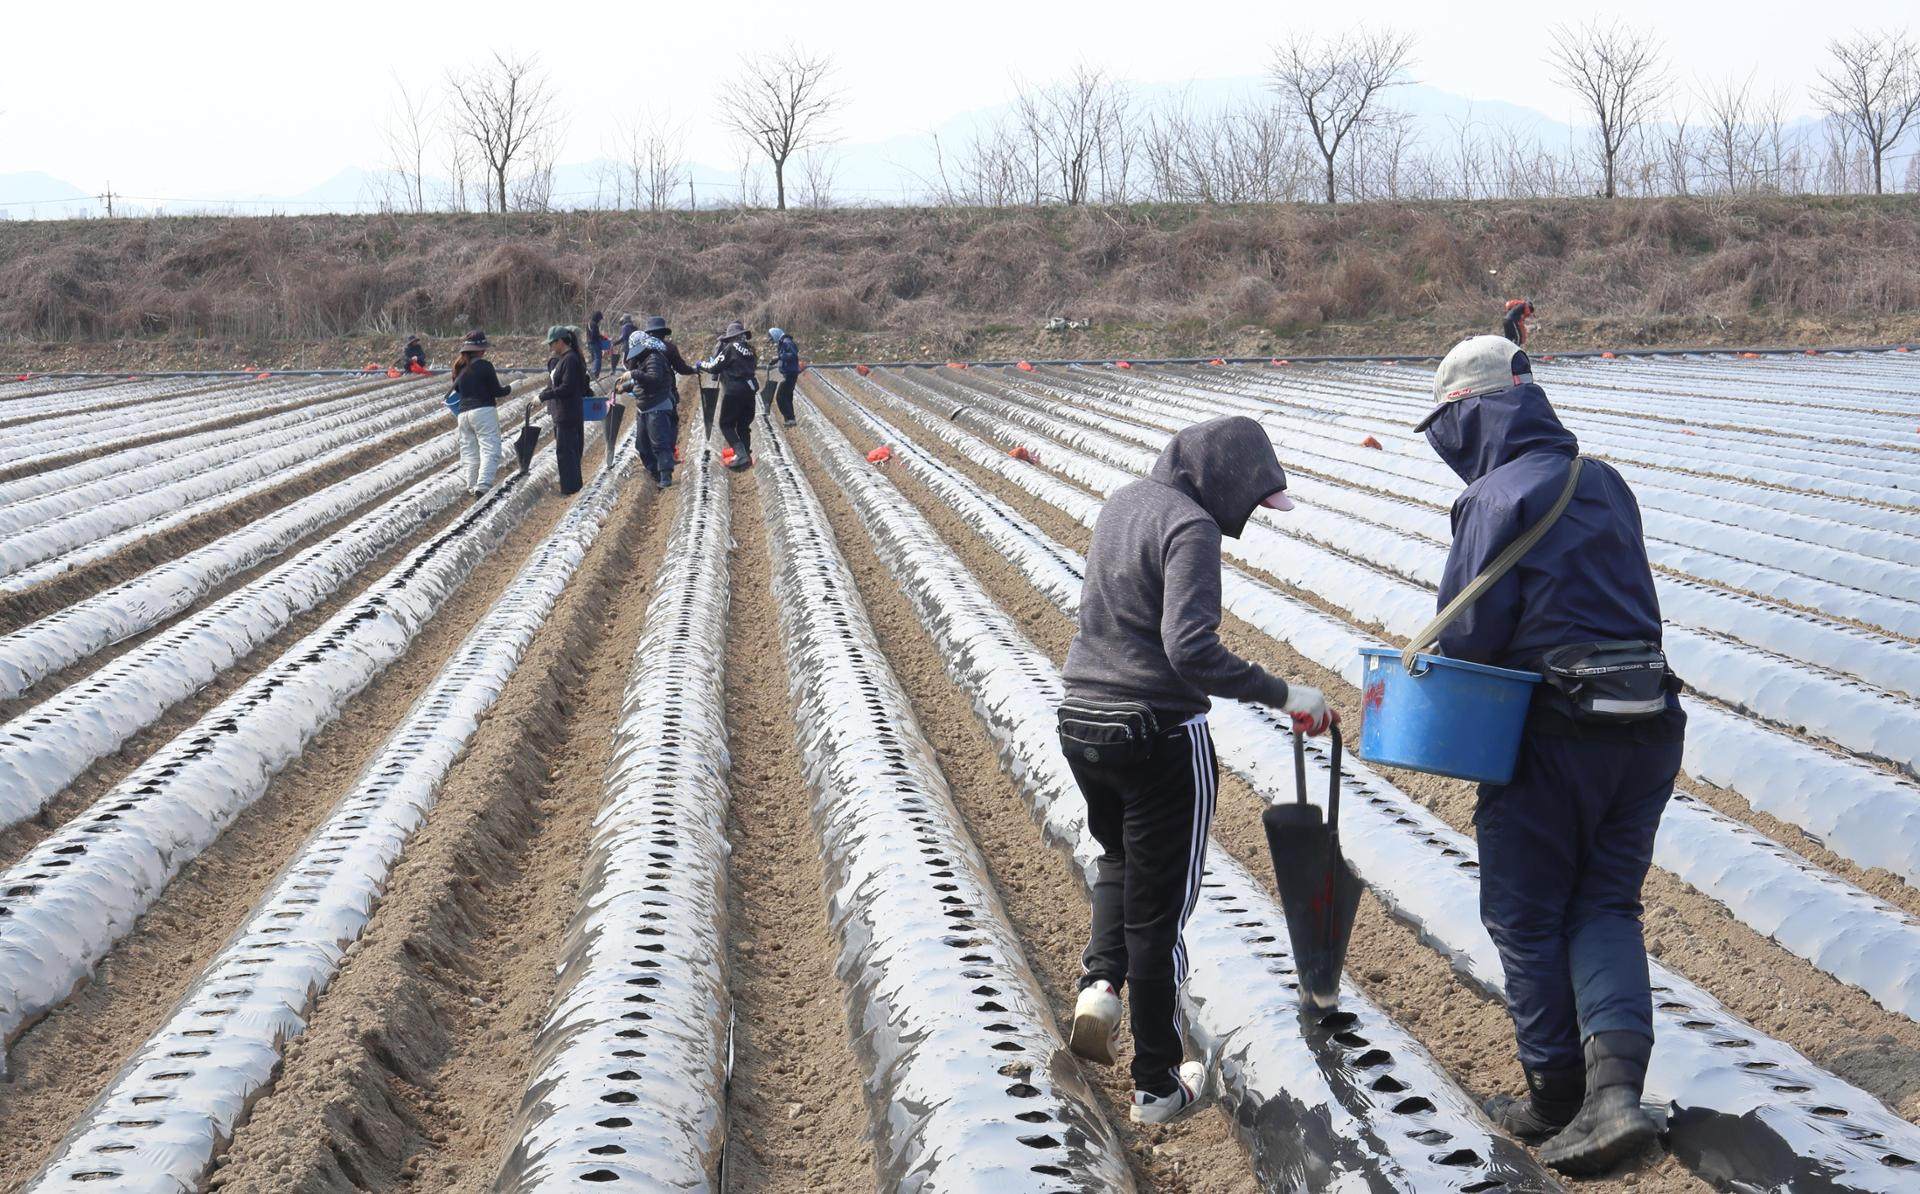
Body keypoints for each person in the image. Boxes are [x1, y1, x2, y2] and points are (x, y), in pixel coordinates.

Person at [1416, 335, 1684, 1176]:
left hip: (1555, 733)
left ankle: (1556, 1094)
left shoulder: (1494, 497)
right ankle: (1615, 1095)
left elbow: (1466, 637)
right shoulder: (1603, 480)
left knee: (1527, 913)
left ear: (1471, 415)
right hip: (1647, 723)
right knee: (1605, 904)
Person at [1057, 415, 1331, 1126]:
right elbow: (1190, 649)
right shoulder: (1193, 527)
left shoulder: (1124, 502)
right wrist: (1284, 693)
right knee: (1161, 914)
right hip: (1157, 735)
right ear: (1226, 483)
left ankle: (1099, 985)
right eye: (1253, 501)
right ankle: (1156, 1084)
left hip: (1083, 720)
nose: (1251, 517)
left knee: (1119, 861)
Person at [621, 316, 698, 489]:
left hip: (657, 403)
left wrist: (634, 375)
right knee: (642, 444)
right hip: (645, 404)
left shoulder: (654, 357)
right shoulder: (644, 357)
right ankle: (655, 471)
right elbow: (641, 377)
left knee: (660, 441)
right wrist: (626, 386)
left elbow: (653, 378)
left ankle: (665, 476)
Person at [448, 331, 510, 498]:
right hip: (483, 411)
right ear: (480, 350)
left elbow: (459, 392)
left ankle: (471, 484)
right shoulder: (485, 366)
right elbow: (497, 391)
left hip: (463, 415)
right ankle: (482, 486)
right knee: (490, 448)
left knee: (470, 452)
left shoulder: (458, 368)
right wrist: (511, 388)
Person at [539, 325, 591, 495]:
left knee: (566, 452)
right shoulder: (567, 358)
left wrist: (544, 396)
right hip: (566, 412)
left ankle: (570, 489)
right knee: (569, 451)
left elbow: (567, 388)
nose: (550, 348)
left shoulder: (569, 360)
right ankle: (572, 487)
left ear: (560, 341)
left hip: (567, 413)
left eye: (552, 344)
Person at [700, 321, 758, 470]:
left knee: (726, 424)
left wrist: (701, 364)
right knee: (743, 425)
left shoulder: (730, 348)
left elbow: (714, 368)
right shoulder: (751, 350)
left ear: (731, 337)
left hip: (735, 390)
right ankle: (747, 457)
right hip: (750, 389)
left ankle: (741, 454)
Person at [766, 326, 802, 426]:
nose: (773, 341)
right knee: (787, 396)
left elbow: (793, 355)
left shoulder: (787, 342)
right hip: (789, 373)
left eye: (772, 338)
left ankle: (789, 419)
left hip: (790, 374)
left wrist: (779, 357)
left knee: (780, 397)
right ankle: (790, 419)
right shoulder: (783, 342)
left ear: (775, 335)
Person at [588, 310, 608, 378]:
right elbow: (595, 335)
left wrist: (601, 336)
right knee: (598, 358)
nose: (599, 320)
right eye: (599, 318)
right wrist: (602, 338)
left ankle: (593, 372)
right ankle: (595, 373)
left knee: (594, 358)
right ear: (597, 317)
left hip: (589, 343)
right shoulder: (594, 324)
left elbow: (591, 334)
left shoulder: (589, 323)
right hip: (594, 343)